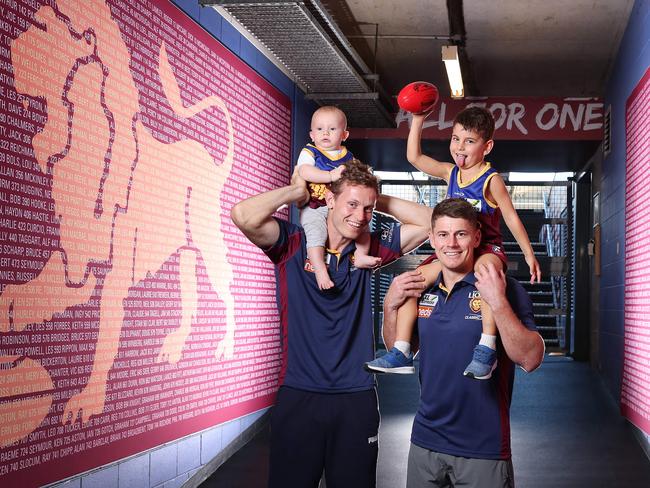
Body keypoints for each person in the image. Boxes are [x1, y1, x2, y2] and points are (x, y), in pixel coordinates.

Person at [230, 158, 431, 487]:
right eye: (351, 204)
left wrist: (370, 195)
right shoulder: (293, 244)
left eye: (367, 209)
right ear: (330, 200)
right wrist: (296, 190)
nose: (360, 216)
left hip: (356, 397)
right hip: (299, 395)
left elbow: (428, 223)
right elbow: (243, 215)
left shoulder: (369, 249)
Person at [365, 106, 541, 379]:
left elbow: (511, 218)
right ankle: (401, 351)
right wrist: (418, 119)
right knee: (413, 282)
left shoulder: (491, 180)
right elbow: (414, 157)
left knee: (486, 277)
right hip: (455, 248)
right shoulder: (450, 173)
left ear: (487, 146)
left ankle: (486, 349)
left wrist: (529, 254)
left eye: (469, 141)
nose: (460, 147)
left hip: (486, 247)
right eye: (455, 139)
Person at [381, 198, 545, 488]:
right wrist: (389, 307)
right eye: (443, 234)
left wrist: (498, 303)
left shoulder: (504, 286)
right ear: (431, 239)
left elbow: (531, 358)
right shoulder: (422, 289)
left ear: (477, 237)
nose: (451, 244)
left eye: (461, 234)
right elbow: (400, 346)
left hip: (483, 449)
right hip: (425, 442)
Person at [297, 106, 381, 290]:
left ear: (344, 135)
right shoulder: (311, 151)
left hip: (339, 208)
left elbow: (357, 178)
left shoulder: (348, 156)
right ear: (311, 134)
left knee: (363, 226)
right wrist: (329, 176)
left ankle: (360, 256)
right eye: (319, 129)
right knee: (315, 233)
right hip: (315, 206)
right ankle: (319, 268)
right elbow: (304, 171)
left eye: (332, 129)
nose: (325, 133)